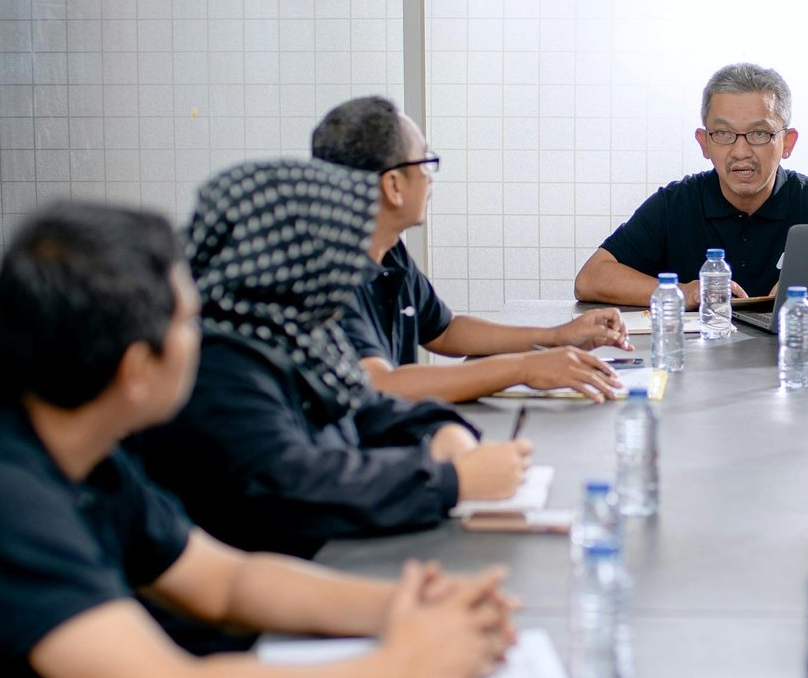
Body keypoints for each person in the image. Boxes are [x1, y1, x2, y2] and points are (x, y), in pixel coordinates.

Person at [0, 201, 517, 678]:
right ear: (137, 369)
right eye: (192, 322)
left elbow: (225, 583)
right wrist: (405, 665)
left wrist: (400, 607)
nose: (209, 340)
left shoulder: (73, 455)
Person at [134, 159, 531, 560]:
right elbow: (298, 485)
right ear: (292, 255)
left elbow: (368, 408)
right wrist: (450, 480)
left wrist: (442, 430)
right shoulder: (218, 364)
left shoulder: (301, 334)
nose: (355, 267)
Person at [313, 96, 631, 404]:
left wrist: (556, 337)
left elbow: (445, 331)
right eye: (425, 162)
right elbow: (381, 386)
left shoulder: (389, 250)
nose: (430, 180)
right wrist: (525, 367)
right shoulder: (326, 276)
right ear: (394, 185)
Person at [573, 62, 808, 307]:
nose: (741, 152)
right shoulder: (676, 203)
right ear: (704, 143)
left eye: (759, 134)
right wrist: (685, 292)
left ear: (787, 143)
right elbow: (591, 278)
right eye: (724, 134)